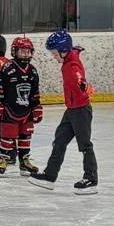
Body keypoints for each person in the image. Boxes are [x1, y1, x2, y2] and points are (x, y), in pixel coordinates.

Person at [25, 30, 98, 194]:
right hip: (71, 110)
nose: (54, 57)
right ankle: (49, 176)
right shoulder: (69, 57)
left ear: (64, 51)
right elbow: (75, 52)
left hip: (81, 110)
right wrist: (77, 49)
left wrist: (83, 85)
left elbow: (78, 76)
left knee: (85, 145)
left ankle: (91, 179)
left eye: (55, 54)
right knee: (59, 141)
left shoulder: (72, 65)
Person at [0, 35, 43, 176]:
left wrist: (37, 107)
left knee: (25, 136)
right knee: (7, 136)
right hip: (9, 110)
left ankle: (24, 161)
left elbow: (35, 92)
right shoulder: (7, 68)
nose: (25, 54)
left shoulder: (32, 71)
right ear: (15, 51)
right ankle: (4, 158)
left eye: (28, 52)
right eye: (22, 51)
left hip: (26, 111)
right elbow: (0, 88)